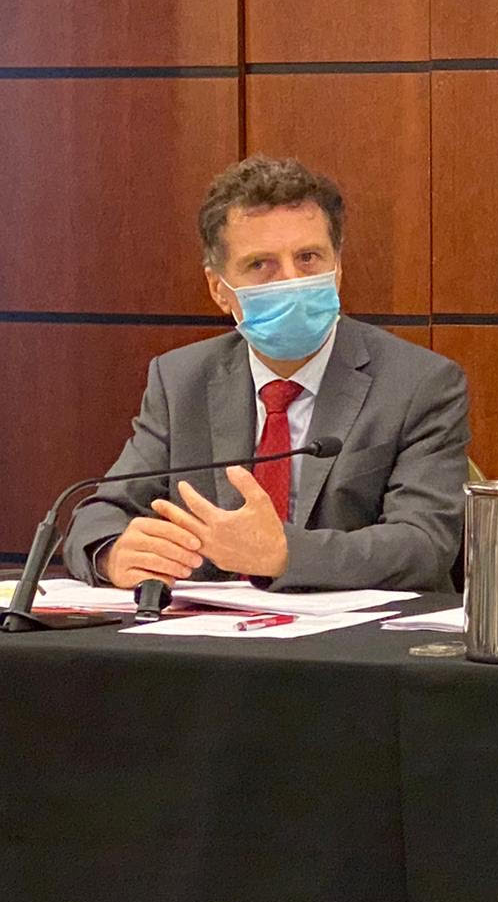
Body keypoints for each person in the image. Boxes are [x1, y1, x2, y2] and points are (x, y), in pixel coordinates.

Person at [63, 155, 469, 592]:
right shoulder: (181, 381)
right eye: (261, 265)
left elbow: (425, 544)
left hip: (356, 633)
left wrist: (284, 554)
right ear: (219, 289)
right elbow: (99, 514)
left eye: (308, 258)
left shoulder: (420, 384)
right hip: (211, 631)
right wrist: (112, 553)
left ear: (338, 269)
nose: (291, 280)